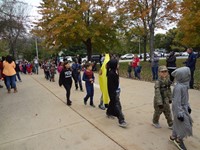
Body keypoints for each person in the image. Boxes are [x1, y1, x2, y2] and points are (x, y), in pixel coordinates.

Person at [169, 67, 193, 150]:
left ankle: (173, 136)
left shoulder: (184, 85)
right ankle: (179, 139)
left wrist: (188, 105)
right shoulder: (179, 87)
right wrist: (179, 113)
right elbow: (176, 101)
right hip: (179, 109)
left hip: (184, 107)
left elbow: (185, 98)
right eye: (187, 75)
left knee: (177, 123)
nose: (189, 76)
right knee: (185, 125)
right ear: (182, 76)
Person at [106, 59, 127, 128]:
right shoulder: (111, 74)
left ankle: (109, 112)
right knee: (117, 105)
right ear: (114, 65)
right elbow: (111, 86)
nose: (119, 65)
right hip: (114, 92)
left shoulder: (114, 72)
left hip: (116, 91)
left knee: (112, 103)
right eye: (117, 64)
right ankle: (121, 120)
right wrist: (113, 94)